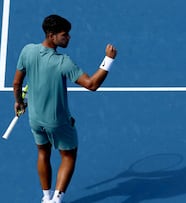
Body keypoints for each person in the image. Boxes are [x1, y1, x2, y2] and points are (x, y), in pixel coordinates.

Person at [12, 14, 117, 203]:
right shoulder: (63, 62)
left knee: (43, 153)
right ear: (51, 35)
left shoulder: (27, 51)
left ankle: (45, 198)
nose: (68, 37)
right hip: (57, 122)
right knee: (68, 156)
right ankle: (57, 199)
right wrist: (108, 60)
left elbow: (16, 83)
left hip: (35, 120)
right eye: (64, 35)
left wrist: (19, 102)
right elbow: (92, 84)